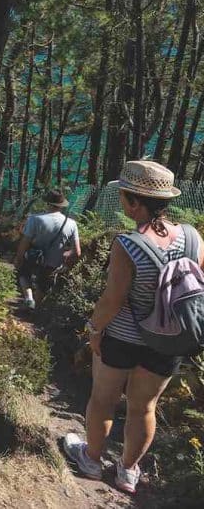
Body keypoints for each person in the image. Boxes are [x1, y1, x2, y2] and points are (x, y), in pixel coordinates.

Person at [61, 160, 197, 494]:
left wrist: (93, 330)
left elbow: (113, 299)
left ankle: (91, 461)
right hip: (169, 341)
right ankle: (127, 472)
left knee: (103, 400)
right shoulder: (193, 238)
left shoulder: (128, 245)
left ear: (134, 201)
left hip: (122, 337)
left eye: (124, 196)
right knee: (144, 407)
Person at [14, 189, 81, 309]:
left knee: (24, 275)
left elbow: (25, 242)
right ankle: (35, 311)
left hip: (33, 258)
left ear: (48, 203)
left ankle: (29, 299)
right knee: (43, 285)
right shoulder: (72, 224)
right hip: (54, 263)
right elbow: (77, 251)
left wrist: (19, 258)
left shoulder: (35, 219)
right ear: (62, 206)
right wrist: (66, 262)